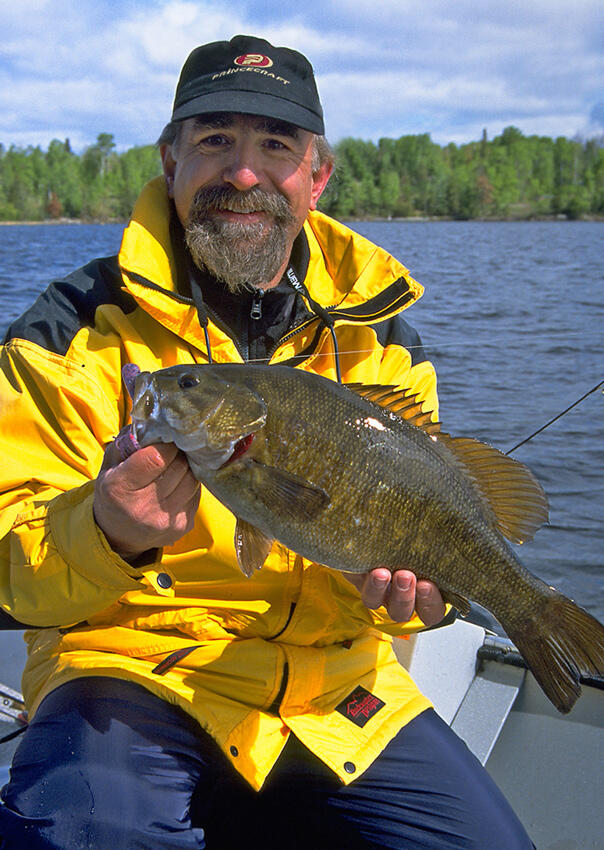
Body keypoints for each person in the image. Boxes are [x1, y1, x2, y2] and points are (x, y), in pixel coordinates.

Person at [0, 35, 534, 849]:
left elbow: (422, 535)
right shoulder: (66, 333)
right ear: (170, 160)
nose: (242, 173)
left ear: (315, 178)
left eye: (274, 146)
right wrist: (105, 533)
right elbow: (8, 573)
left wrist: (422, 602)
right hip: (130, 672)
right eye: (215, 140)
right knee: (81, 832)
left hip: (338, 694)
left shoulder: (385, 342)